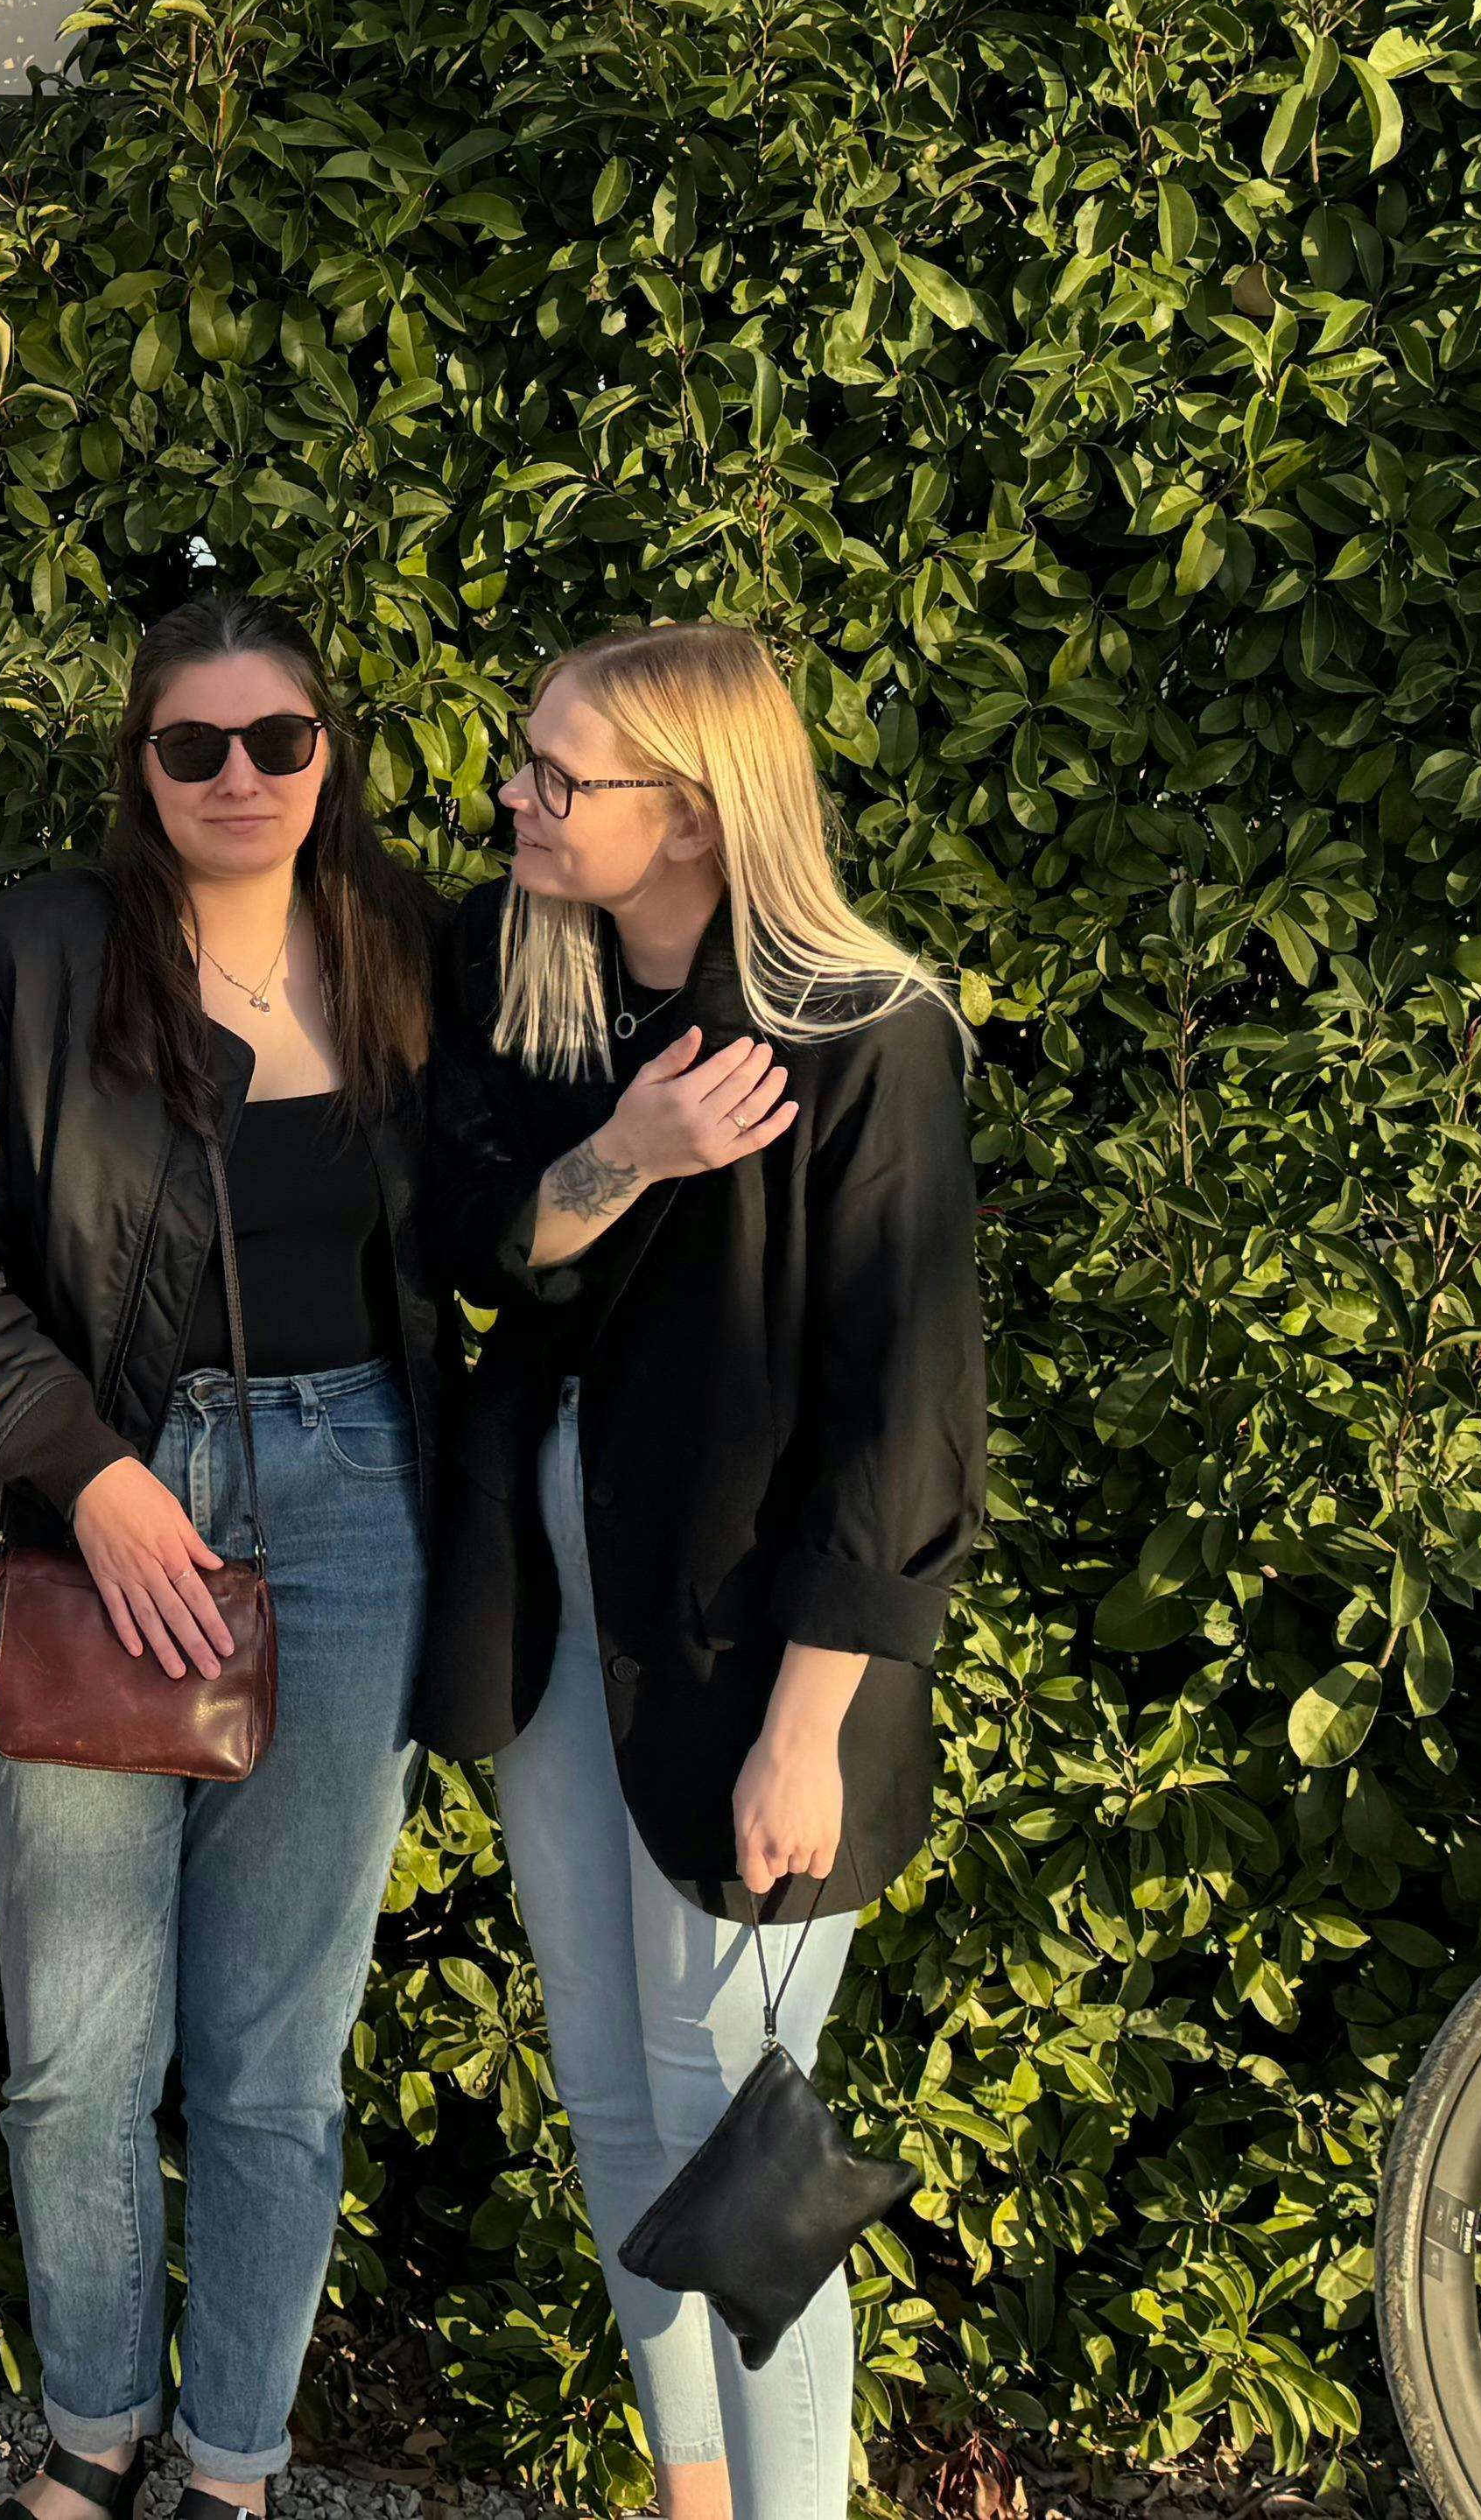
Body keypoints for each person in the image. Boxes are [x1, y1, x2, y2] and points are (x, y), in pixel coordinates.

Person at [0, 591, 448, 2520]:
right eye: (196, 746)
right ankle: (93, 2441)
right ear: (140, 768)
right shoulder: (36, 962)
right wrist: (84, 1468)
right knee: (77, 2056)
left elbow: (516, 1223)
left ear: (329, 754)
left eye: (280, 740)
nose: (242, 777)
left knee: (278, 2055)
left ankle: (237, 2471)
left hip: (357, 1506)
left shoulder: (415, 955)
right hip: (104, 1518)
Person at [417, 622, 982, 2520]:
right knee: (614, 2091)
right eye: (527, 760)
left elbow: (901, 1420)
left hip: (758, 1666)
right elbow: (480, 1248)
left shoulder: (869, 1038)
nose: (516, 794)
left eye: (559, 777)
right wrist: (629, 1153)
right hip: (563, 1625)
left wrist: (807, 1728)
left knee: (746, 2138)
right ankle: (696, 2493)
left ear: (692, 815)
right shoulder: (537, 995)